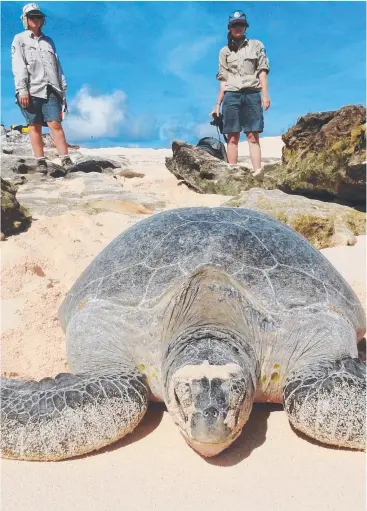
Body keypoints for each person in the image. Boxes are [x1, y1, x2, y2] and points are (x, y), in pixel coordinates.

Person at [11, 3, 73, 174]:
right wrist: (22, 89)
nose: (35, 20)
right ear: (25, 19)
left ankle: (65, 159)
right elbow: (18, 65)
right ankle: (40, 161)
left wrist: (63, 88)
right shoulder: (20, 39)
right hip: (31, 89)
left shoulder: (49, 41)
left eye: (38, 16)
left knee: (55, 123)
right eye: (32, 17)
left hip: (51, 87)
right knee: (34, 124)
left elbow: (57, 65)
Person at [210, 10, 270, 175]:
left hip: (252, 94)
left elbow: (262, 71)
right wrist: (217, 105)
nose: (238, 27)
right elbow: (223, 80)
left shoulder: (257, 45)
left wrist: (265, 96)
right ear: (230, 28)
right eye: (235, 25)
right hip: (231, 96)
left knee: (253, 136)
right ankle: (233, 174)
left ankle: (258, 173)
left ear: (245, 27)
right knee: (233, 136)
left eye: (241, 24)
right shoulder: (224, 52)